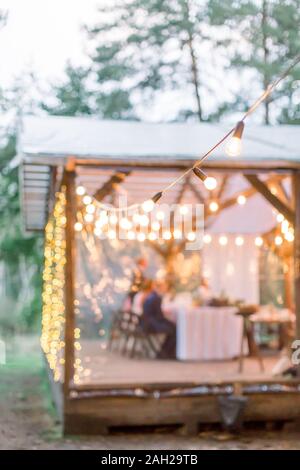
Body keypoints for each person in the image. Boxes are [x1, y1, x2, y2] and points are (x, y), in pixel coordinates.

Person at [142, 279, 176, 359]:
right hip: (151, 325)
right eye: (164, 288)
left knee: (173, 328)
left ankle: (164, 352)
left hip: (146, 323)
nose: (165, 290)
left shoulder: (150, 296)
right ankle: (166, 353)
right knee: (174, 329)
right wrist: (170, 322)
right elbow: (159, 317)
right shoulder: (157, 298)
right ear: (160, 288)